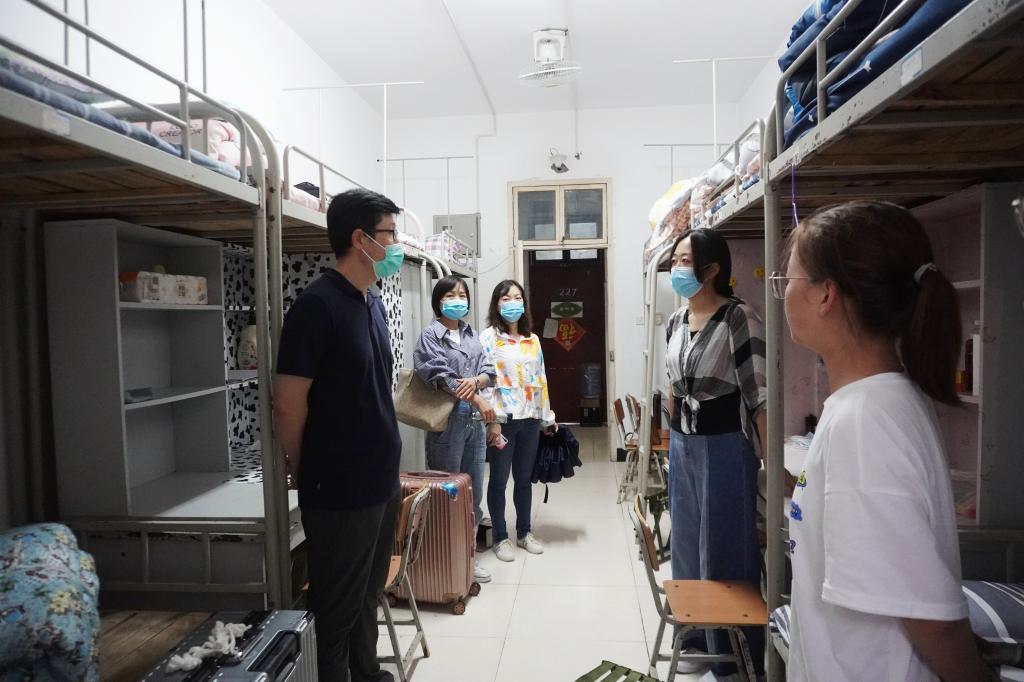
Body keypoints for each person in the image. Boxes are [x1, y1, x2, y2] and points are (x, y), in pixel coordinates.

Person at [776, 201, 992, 681]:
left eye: (787, 280)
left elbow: (929, 616)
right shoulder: (873, 402)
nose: (783, 293)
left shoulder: (864, 421)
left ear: (826, 294)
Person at [273, 188, 404, 682]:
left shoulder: (370, 301)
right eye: (391, 234)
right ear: (361, 238)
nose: (397, 245)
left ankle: (367, 674)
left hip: (379, 481)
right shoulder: (316, 306)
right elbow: (288, 403)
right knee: (336, 606)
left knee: (367, 592)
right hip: (341, 486)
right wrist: (302, 466)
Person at [664, 228, 767, 676]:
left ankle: (734, 656)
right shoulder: (675, 320)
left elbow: (758, 393)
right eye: (674, 260)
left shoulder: (738, 317)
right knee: (685, 544)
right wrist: (670, 442)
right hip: (682, 445)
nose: (677, 267)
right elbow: (672, 387)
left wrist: (770, 461)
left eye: (685, 260)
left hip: (724, 445)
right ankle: (694, 638)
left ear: (711, 269)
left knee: (725, 547)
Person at [413, 275, 497, 584]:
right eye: (450, 295)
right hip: (448, 422)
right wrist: (477, 396)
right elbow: (441, 376)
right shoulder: (430, 336)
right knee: (447, 490)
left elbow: (488, 371)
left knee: (472, 492)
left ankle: (467, 558)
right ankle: (443, 559)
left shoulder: (471, 334)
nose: (457, 300)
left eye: (462, 295)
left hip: (474, 422)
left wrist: (476, 382)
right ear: (438, 301)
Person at [479, 280, 557, 563]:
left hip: (530, 420)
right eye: (505, 298)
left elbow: (541, 379)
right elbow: (486, 383)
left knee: (524, 480)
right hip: (503, 421)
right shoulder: (488, 338)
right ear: (496, 304)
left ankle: (524, 533)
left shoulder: (532, 339)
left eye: (517, 298)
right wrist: (492, 420)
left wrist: (547, 417)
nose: (512, 303)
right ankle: (501, 538)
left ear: (524, 304)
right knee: (499, 480)